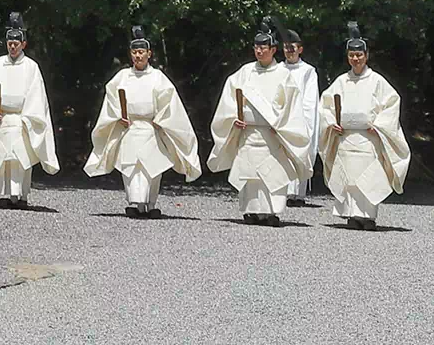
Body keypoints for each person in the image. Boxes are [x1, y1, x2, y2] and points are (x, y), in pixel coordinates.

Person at [86, 24, 201, 217]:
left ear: (149, 54)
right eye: (134, 52)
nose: (138, 56)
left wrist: (161, 118)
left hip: (150, 128)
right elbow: (112, 98)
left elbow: (169, 101)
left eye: (141, 52)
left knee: (152, 167)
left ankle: (151, 204)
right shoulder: (122, 77)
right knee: (130, 167)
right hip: (129, 128)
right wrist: (119, 116)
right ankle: (134, 203)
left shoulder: (158, 77)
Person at [209, 15, 310, 225]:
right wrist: (234, 119)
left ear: (273, 49)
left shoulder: (283, 74)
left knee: (271, 173)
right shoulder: (244, 72)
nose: (259, 51)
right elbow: (230, 99)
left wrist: (281, 125)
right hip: (248, 132)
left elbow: (291, 106)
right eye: (256, 47)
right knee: (250, 173)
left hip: (272, 134)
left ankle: (272, 212)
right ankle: (251, 211)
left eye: (264, 48)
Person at [317, 22, 410, 229]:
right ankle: (352, 215)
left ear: (366, 56)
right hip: (346, 138)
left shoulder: (377, 81)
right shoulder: (341, 81)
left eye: (359, 55)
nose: (355, 59)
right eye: (352, 55)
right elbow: (325, 106)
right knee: (348, 176)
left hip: (368, 138)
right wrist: (332, 123)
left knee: (368, 177)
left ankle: (368, 217)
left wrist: (379, 125)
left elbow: (392, 103)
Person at [0, 12, 57, 208]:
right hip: (1, 119)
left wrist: (28, 117)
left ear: (24, 44)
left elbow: (37, 96)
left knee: (20, 158)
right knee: (3, 158)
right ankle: (4, 195)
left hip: (21, 119)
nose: (12, 46)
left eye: (16, 43)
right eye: (10, 43)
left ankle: (21, 195)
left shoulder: (31, 67)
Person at [281, 29, 322, 206]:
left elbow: (310, 100)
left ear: (300, 49)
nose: (289, 52)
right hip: (280, 120)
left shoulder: (308, 71)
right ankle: (282, 192)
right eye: (286, 48)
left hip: (299, 119)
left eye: (292, 48)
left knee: (299, 153)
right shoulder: (277, 69)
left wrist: (304, 120)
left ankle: (297, 194)